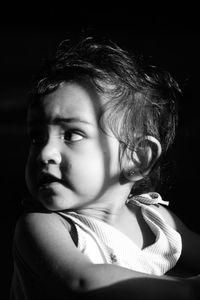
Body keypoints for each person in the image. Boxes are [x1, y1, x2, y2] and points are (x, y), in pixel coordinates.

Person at [10, 36, 200, 300]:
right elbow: (82, 281)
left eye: (72, 134)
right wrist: (188, 290)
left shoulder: (159, 222)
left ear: (137, 158)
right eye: (36, 138)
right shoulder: (43, 227)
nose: (45, 153)